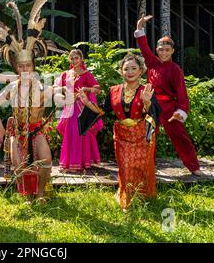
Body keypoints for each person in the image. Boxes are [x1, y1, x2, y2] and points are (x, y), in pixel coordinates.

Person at [0, 0, 70, 204]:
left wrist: (65, 92)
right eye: (22, 66)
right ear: (17, 68)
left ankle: (39, 195)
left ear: (33, 68)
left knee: (45, 159)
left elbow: (56, 95)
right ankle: (26, 194)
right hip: (17, 130)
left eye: (29, 66)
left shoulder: (41, 86)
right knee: (19, 163)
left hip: (37, 129)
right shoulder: (12, 86)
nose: (25, 69)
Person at [77, 53, 161, 212]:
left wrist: (147, 102)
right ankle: (127, 201)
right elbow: (102, 110)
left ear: (141, 70)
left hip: (142, 135)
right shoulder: (114, 91)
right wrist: (87, 102)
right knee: (125, 167)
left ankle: (142, 196)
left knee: (141, 168)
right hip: (122, 136)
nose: (130, 72)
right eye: (126, 69)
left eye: (133, 68)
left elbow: (155, 114)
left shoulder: (147, 90)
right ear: (121, 72)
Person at [134, 14, 202, 175]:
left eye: (167, 50)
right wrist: (139, 28)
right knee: (148, 136)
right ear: (156, 50)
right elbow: (143, 47)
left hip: (170, 108)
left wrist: (181, 111)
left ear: (172, 51)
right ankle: (146, 166)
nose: (164, 52)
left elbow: (181, 93)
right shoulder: (152, 62)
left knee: (180, 137)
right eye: (161, 49)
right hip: (152, 106)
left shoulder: (175, 70)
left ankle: (193, 166)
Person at [55, 49, 103, 172]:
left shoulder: (86, 74)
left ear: (81, 59)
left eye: (76, 58)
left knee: (80, 131)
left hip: (82, 106)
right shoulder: (66, 74)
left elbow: (98, 89)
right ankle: (70, 163)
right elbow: (55, 86)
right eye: (71, 58)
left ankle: (80, 162)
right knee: (70, 133)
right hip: (70, 106)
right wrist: (64, 89)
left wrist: (86, 89)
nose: (74, 60)